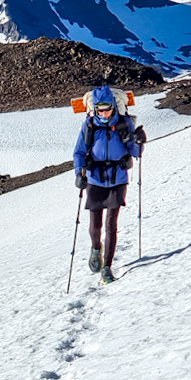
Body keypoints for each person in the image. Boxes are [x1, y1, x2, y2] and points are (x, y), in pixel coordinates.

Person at [72, 86, 145, 283]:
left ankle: (107, 267)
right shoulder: (89, 126)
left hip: (118, 177)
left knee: (111, 224)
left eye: (108, 109)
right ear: (95, 109)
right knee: (95, 226)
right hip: (95, 178)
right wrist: (79, 173)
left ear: (113, 107)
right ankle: (96, 248)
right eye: (100, 110)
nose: (105, 113)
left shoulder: (124, 124)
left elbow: (135, 153)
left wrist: (139, 142)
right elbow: (78, 152)